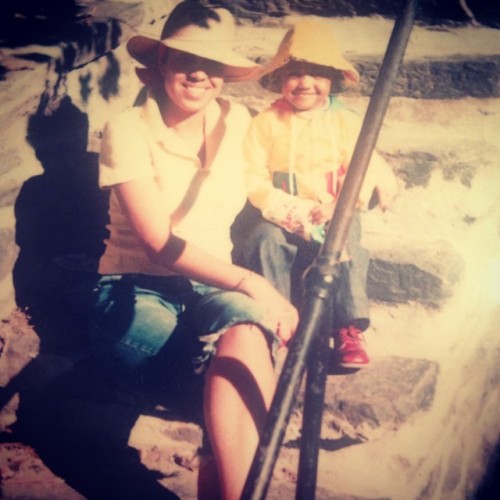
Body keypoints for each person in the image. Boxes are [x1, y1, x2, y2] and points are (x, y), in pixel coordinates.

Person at [89, 2, 298, 499]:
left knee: (246, 330)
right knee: (213, 352)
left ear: (227, 74)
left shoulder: (242, 122)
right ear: (162, 61)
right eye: (185, 58)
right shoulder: (128, 128)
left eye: (214, 63)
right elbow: (159, 244)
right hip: (135, 288)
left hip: (210, 286)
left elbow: (293, 165)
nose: (200, 72)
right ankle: (220, 443)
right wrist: (252, 281)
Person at [242, 18, 397, 369]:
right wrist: (283, 208)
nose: (305, 83)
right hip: (282, 211)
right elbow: (252, 175)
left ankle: (348, 325)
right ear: (280, 77)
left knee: (345, 240)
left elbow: (364, 165)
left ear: (332, 79)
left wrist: (339, 205)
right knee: (263, 241)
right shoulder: (265, 123)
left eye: (317, 73)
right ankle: (278, 319)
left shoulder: (345, 122)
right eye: (295, 73)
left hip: (332, 208)